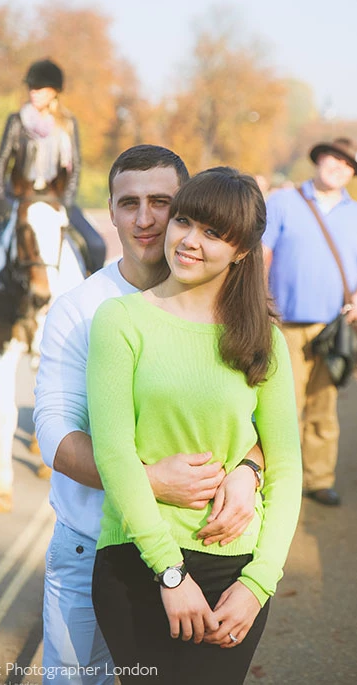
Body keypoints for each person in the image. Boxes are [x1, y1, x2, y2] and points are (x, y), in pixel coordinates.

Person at [34, 146, 265, 685]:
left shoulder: (229, 306)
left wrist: (248, 470)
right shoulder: (80, 309)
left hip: (195, 549)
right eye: (127, 202)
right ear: (110, 212)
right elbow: (54, 435)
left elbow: (263, 421)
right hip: (91, 545)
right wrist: (147, 480)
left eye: (161, 202)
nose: (144, 219)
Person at [86, 166, 302, 685]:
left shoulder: (263, 341)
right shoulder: (121, 320)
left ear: (242, 251)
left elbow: (287, 465)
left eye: (213, 233)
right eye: (184, 221)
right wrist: (168, 570)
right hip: (138, 558)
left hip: (236, 571)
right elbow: (114, 453)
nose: (188, 241)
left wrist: (260, 582)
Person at [0, 58, 106, 326]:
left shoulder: (68, 124)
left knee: (96, 245)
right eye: (32, 88)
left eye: (40, 88)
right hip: (17, 198)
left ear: (54, 92)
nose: (33, 92)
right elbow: (2, 162)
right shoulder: (16, 122)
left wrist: (67, 202)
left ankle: (94, 306)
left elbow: (76, 165)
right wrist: (0, 200)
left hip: (56, 199)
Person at [263, 137, 357, 506]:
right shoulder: (285, 201)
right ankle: (277, 479)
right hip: (285, 323)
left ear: (351, 173)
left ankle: (319, 478)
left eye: (347, 163)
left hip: (334, 326)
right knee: (283, 406)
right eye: (333, 157)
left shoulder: (354, 213)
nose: (338, 165)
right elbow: (262, 253)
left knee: (323, 404)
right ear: (319, 160)